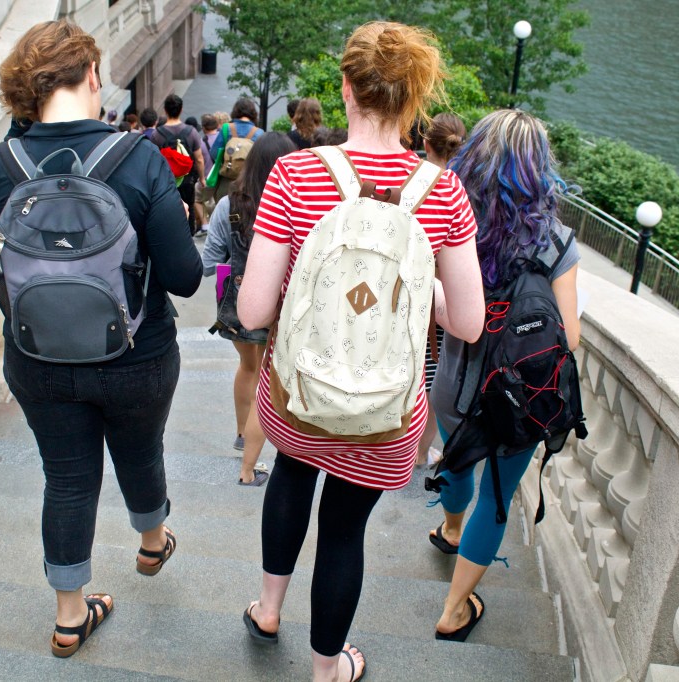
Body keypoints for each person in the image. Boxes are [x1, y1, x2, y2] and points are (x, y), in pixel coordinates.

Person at [237, 22, 485, 682]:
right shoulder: (446, 194)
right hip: (385, 411)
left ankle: (267, 608)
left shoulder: (295, 175)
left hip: (298, 395)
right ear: (416, 100)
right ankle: (327, 670)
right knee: (344, 530)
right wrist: (421, 291)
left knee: (291, 477)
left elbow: (253, 311)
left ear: (346, 89)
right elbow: (468, 322)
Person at [0, 19, 202, 659]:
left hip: (37, 356)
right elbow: (185, 279)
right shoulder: (139, 158)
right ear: (93, 76)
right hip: (137, 354)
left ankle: (70, 617)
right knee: (140, 447)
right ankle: (152, 541)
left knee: (67, 478)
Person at [428, 109, 581, 642]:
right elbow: (572, 337)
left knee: (455, 460)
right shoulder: (557, 242)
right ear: (539, 170)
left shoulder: (451, 220)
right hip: (520, 397)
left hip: (454, 385)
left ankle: (450, 527)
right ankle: (453, 609)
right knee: (496, 496)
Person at [201, 132, 298, 486]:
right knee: (267, 381)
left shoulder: (230, 205)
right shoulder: (295, 201)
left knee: (247, 367)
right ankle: (248, 468)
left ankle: (242, 432)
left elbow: (210, 262)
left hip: (240, 304)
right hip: (282, 306)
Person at [416, 112, 468, 468]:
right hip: (440, 301)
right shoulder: (459, 191)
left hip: (403, 292)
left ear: (425, 142)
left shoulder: (406, 179)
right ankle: (419, 454)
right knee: (433, 381)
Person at [152, 94, 206, 235]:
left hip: (167, 180)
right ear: (181, 109)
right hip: (188, 180)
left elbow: (154, 160)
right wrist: (202, 178)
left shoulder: (157, 134)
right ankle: (189, 235)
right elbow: (199, 158)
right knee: (189, 205)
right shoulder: (191, 132)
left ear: (165, 110)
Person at [204, 97, 265, 201]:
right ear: (253, 113)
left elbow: (214, 153)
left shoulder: (226, 128)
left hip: (226, 182)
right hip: (248, 183)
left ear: (235, 111)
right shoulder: (259, 133)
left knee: (224, 212)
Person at [195, 113, 221, 234]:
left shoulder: (201, 142)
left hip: (208, 178)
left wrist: (201, 178)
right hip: (221, 177)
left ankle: (205, 224)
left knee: (197, 199)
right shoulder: (224, 139)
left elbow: (199, 160)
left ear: (204, 127)